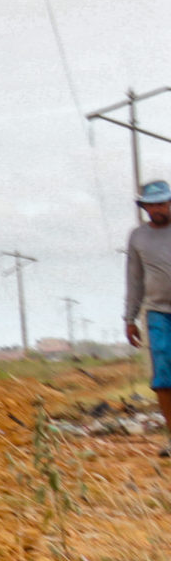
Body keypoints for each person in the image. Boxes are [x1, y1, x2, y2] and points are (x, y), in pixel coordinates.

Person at [123, 179, 171, 454]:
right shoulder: (138, 237)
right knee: (163, 377)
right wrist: (130, 318)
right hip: (157, 313)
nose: (157, 209)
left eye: (161, 204)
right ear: (143, 207)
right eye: (151, 205)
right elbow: (134, 279)